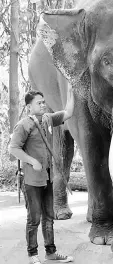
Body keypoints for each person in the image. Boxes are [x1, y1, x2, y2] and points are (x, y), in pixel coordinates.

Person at [9, 84, 75, 264]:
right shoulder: (23, 125)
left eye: (44, 102)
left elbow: (68, 112)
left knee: (49, 218)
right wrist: (32, 161)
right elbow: (13, 148)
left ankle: (51, 253)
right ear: (29, 106)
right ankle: (32, 255)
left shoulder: (47, 119)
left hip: (48, 178)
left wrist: (70, 92)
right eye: (39, 103)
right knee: (34, 219)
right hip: (32, 181)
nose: (43, 105)